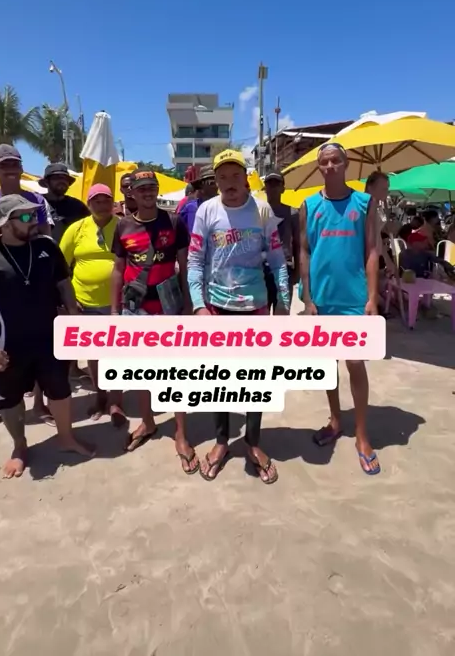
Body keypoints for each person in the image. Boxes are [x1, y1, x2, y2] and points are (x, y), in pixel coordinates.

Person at [188, 149, 290, 484]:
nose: (229, 183)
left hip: (256, 308)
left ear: (246, 178)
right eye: (222, 177)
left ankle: (253, 442)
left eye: (235, 176)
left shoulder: (262, 211)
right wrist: (199, 306)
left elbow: (278, 260)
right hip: (217, 309)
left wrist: (283, 303)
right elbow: (194, 261)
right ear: (214, 181)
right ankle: (222, 442)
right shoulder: (206, 211)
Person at [0, 195, 94, 478]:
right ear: (5, 223)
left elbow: (63, 283)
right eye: (26, 217)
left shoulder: (46, 247)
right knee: (10, 399)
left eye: (35, 215)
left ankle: (66, 438)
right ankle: (19, 447)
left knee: (60, 389)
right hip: (5, 346)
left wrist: (73, 314)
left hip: (50, 339)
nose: (35, 222)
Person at [300, 143, 380, 475]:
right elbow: (304, 252)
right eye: (324, 162)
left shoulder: (364, 203)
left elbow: (372, 250)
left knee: (355, 363)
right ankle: (335, 420)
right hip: (322, 299)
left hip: (353, 299)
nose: (330, 166)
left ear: (346, 164)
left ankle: (362, 435)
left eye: (336, 160)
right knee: (327, 365)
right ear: (319, 167)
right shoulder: (309, 205)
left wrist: (372, 297)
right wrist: (307, 299)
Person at [110, 170, 198, 473]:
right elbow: (118, 270)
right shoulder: (123, 225)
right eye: (142, 188)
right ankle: (147, 422)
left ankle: (181, 434)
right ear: (131, 193)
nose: (148, 192)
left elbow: (185, 265)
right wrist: (114, 312)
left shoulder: (174, 222)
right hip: (135, 311)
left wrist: (189, 304)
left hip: (169, 308)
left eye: (152, 187)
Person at [0, 145, 54, 440]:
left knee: (38, 346)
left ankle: (40, 404)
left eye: (15, 164)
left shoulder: (36, 199)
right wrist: (16, 236)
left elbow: (45, 234)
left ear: (21, 167)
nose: (10, 168)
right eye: (4, 164)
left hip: (33, 277)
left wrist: (9, 233)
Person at [60, 184, 126, 425]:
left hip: (118, 303)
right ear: (89, 204)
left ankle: (116, 401)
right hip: (85, 303)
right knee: (94, 355)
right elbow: (60, 265)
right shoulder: (76, 229)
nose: (102, 205)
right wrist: (68, 299)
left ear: (113, 202)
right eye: (96, 201)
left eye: (106, 200)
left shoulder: (123, 226)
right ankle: (100, 396)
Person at [263, 170, 300, 312]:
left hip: (285, 269)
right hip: (262, 270)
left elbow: (298, 244)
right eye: (269, 183)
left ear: (283, 188)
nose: (273, 187)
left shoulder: (293, 212)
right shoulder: (257, 211)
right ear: (265, 188)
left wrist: (297, 272)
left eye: (276, 183)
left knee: (282, 313)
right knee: (261, 315)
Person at [40, 163, 89, 244]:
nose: (62, 181)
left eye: (65, 178)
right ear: (46, 182)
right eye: (56, 178)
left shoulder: (78, 206)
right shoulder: (37, 203)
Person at [178, 166, 218, 234]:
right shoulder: (189, 208)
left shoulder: (225, 207)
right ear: (201, 186)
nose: (216, 186)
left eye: (217, 182)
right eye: (211, 182)